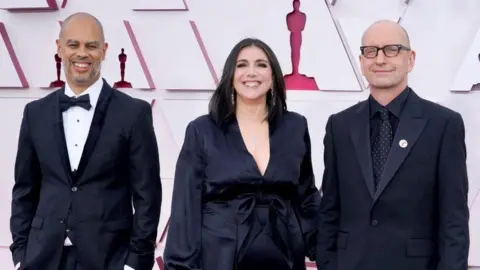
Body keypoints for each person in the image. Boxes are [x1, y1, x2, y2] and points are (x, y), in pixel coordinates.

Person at [10, 12, 162, 270]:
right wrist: (20, 254)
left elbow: (147, 195)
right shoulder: (35, 113)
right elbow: (24, 190)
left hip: (109, 259)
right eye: (73, 45)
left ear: (104, 51)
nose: (82, 54)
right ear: (59, 49)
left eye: (91, 46)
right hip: (42, 258)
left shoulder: (133, 113)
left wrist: (135, 262)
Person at [315, 20, 470, 270]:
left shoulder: (443, 124)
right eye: (371, 51)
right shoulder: (339, 126)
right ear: (362, 61)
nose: (380, 59)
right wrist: (327, 262)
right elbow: (330, 208)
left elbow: (454, 221)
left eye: (392, 49)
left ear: (410, 59)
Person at [163, 38, 320, 270]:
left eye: (261, 64)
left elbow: (305, 195)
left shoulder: (295, 126)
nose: (252, 72)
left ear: (273, 74)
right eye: (242, 65)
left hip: (283, 257)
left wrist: (326, 248)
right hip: (219, 259)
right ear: (231, 75)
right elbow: (185, 207)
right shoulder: (203, 130)